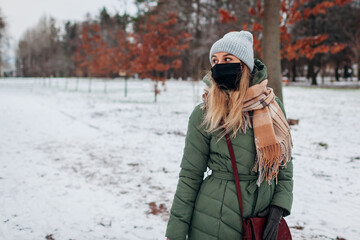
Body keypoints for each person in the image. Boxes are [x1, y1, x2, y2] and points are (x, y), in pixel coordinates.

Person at [165, 31, 293, 240]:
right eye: (215, 61)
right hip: (214, 221)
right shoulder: (205, 113)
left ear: (244, 65)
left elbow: (285, 165)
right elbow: (190, 175)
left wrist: (279, 208)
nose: (219, 65)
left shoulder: (272, 107)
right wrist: (175, 233)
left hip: (263, 219)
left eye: (227, 59)